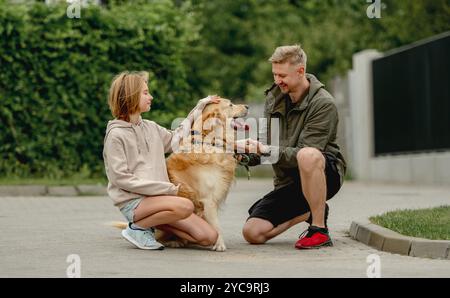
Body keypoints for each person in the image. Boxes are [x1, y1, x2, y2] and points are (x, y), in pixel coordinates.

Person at [237, 45, 346, 249]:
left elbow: (305, 153)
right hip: (289, 182)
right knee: (252, 233)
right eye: (275, 75)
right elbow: (266, 145)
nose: (278, 81)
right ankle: (311, 210)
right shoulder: (275, 98)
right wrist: (243, 155)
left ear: (300, 71)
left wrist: (265, 150)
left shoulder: (323, 103)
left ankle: (319, 230)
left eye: (282, 75)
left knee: (307, 155)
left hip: (323, 174)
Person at [103, 71, 220, 250]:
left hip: (162, 202)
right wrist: (166, 188)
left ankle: (148, 226)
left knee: (209, 237)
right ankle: (137, 228)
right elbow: (121, 179)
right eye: (145, 93)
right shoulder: (116, 135)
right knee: (185, 206)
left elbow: (178, 138)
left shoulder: (151, 127)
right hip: (134, 202)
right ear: (131, 96)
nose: (151, 97)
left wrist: (199, 107)